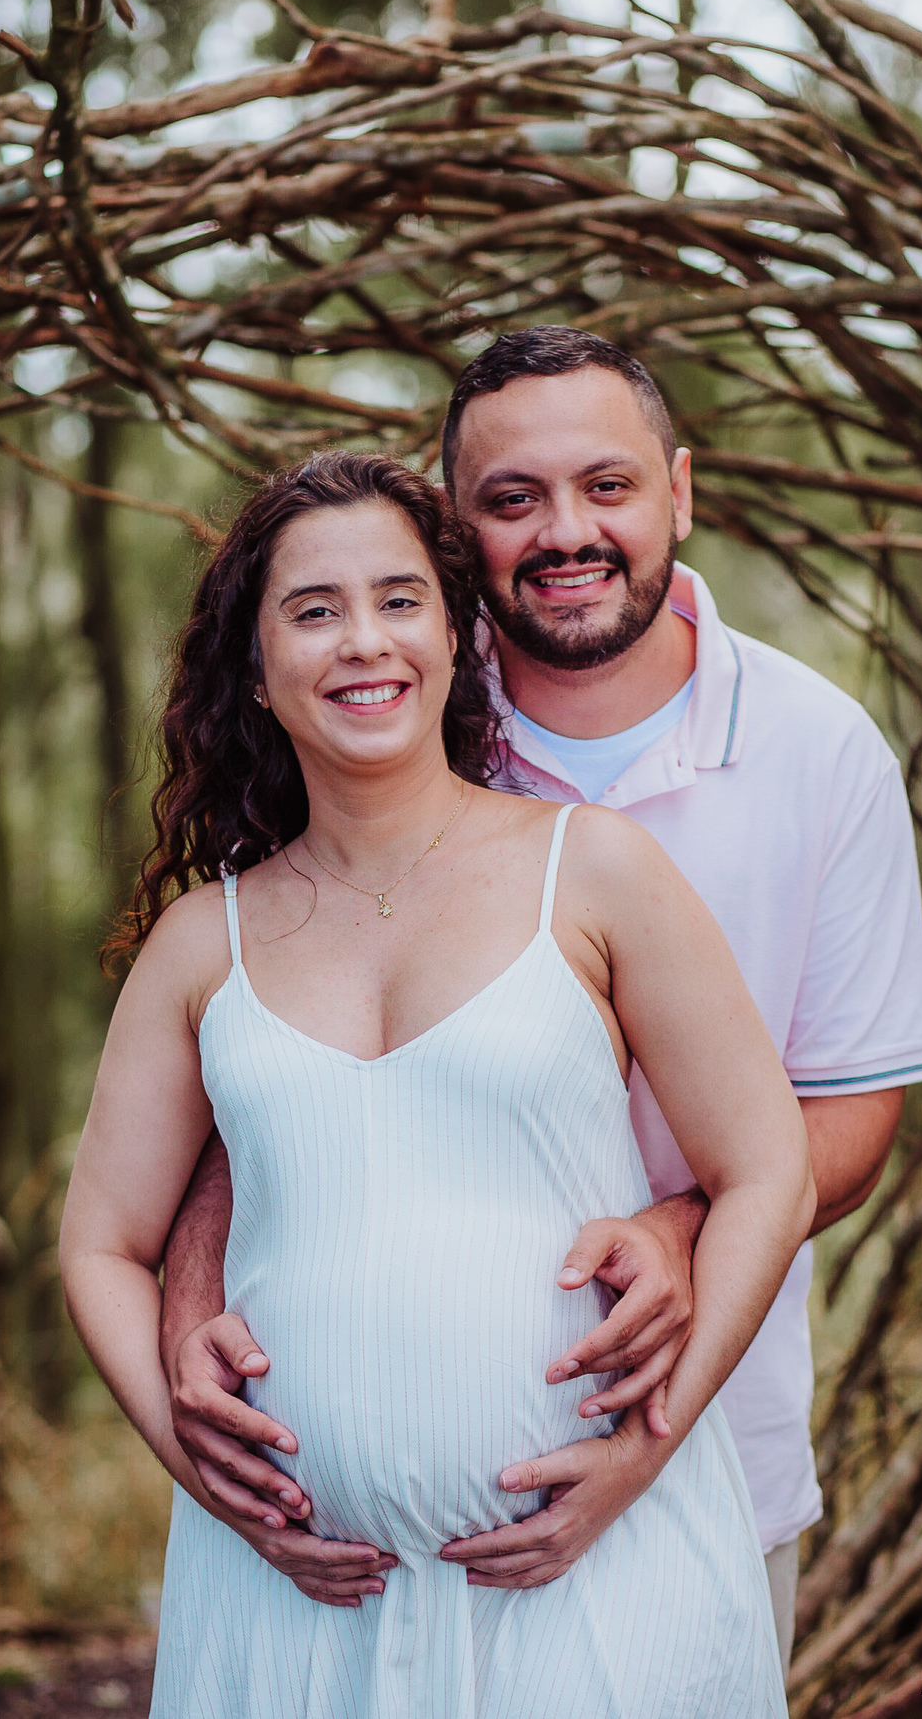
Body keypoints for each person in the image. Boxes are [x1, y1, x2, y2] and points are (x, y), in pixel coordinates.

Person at [162, 329, 922, 1670]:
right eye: (513, 498)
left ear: (680, 491)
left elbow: (852, 1107)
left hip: (700, 1445)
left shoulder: (823, 754)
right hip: (341, 1520)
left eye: (610, 484)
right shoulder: (377, 706)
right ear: (456, 530)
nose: (568, 530)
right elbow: (259, 1051)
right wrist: (188, 1300)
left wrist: (683, 1220)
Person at [60, 452, 813, 1717]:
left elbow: (768, 1165)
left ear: (458, 636)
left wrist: (648, 1444)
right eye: (313, 609)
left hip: (601, 1583)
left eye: (400, 599)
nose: (364, 641)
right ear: (253, 665)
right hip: (291, 1609)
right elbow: (100, 1243)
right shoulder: (207, 940)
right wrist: (205, 1476)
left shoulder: (596, 871)